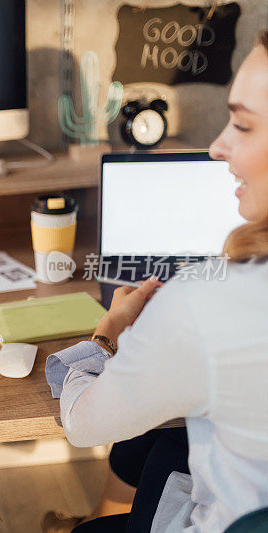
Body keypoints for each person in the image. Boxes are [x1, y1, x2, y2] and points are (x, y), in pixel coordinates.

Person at [42, 32, 268, 532]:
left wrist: (108, 333)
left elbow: (83, 425)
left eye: (244, 126)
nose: (217, 146)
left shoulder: (204, 304)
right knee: (158, 436)